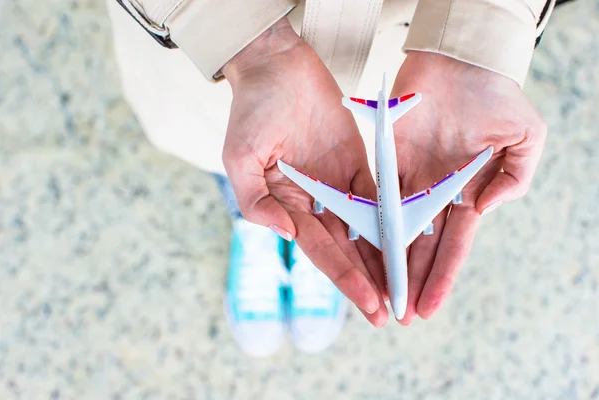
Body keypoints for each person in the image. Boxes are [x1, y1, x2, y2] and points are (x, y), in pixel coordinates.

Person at [106, 0, 554, 356]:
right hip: (220, 43)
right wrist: (237, 32)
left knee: (271, 165)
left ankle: (290, 230)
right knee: (241, 155)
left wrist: (483, 23)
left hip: (400, 41)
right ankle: (269, 225)